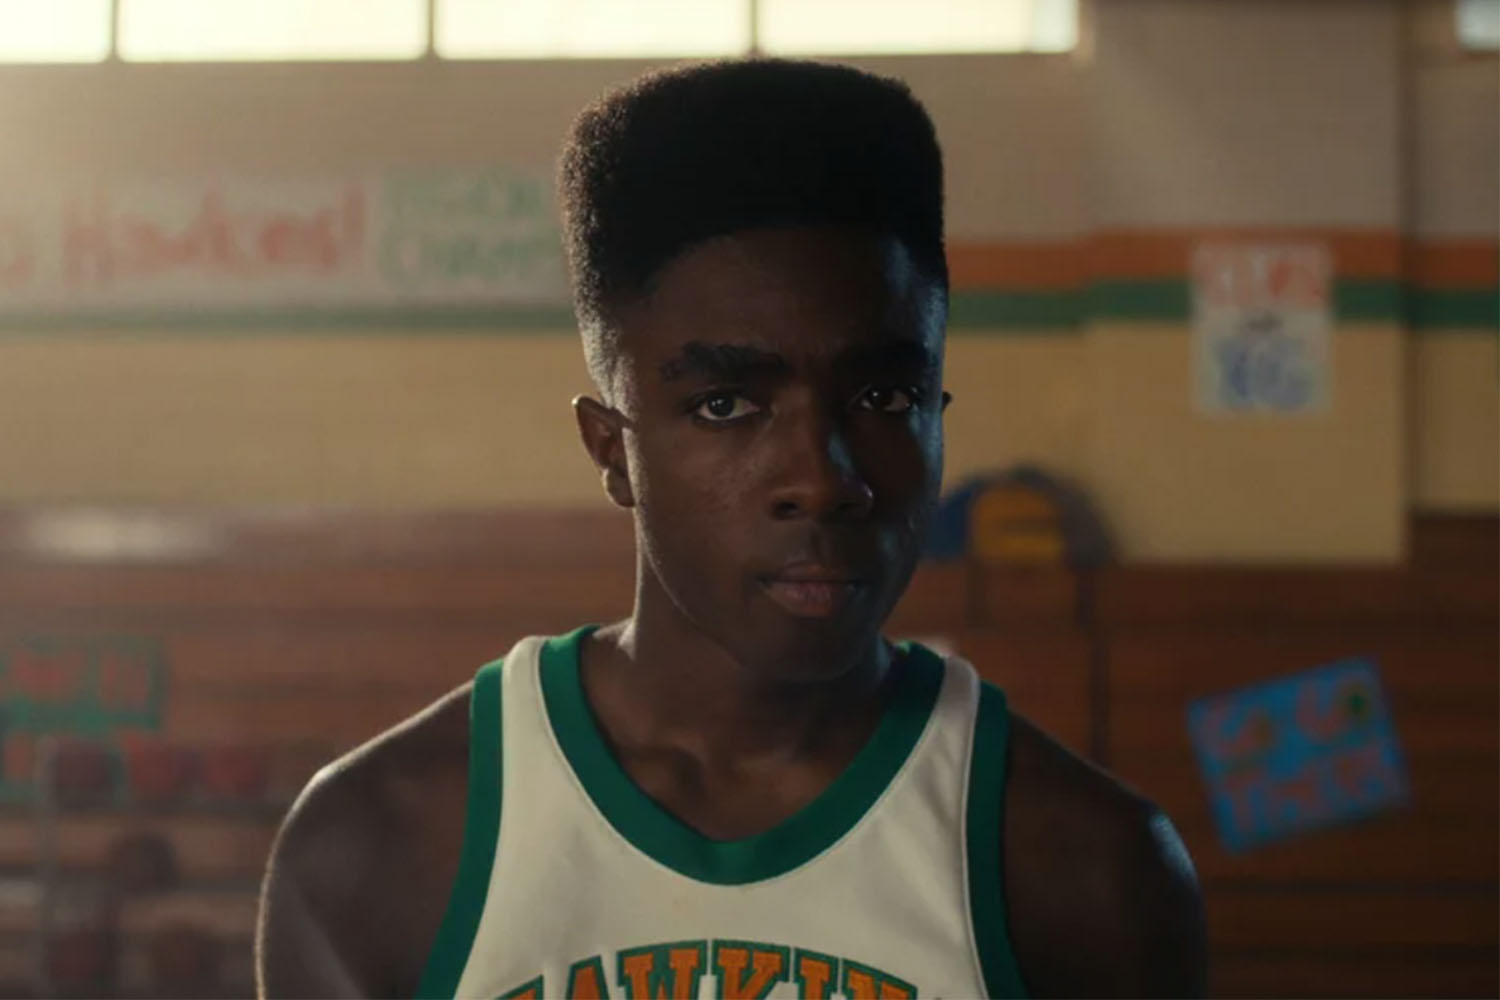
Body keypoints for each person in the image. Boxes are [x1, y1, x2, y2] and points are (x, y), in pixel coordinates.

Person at [255, 58, 1205, 999]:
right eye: (725, 405)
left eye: (884, 397)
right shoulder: (378, 850)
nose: (821, 481)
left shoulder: (1088, 872)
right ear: (611, 450)